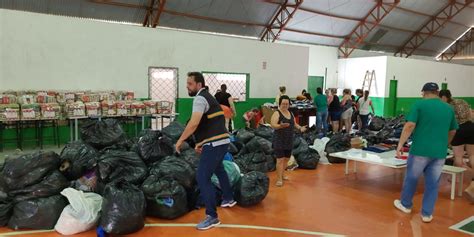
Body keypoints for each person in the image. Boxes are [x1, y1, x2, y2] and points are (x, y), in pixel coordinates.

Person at [175, 72, 236, 230]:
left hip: (215, 144)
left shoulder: (200, 98)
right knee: (219, 168)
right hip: (222, 141)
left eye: (190, 84)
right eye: (187, 83)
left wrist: (180, 140)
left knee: (202, 177)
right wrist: (201, 142)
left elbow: (194, 123)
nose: (187, 87)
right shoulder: (209, 97)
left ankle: (212, 216)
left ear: (199, 85)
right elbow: (209, 123)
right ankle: (228, 198)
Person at [394, 82, 458, 223]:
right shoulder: (448, 108)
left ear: (423, 92)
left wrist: (400, 145)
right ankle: (427, 214)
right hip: (439, 152)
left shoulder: (419, 105)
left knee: (412, 178)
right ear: (437, 92)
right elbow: (453, 130)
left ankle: (406, 205)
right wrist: (444, 144)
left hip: (420, 151)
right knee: (433, 183)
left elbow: (410, 125)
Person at [439, 89, 474, 203]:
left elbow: (448, 123)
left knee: (458, 156)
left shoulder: (447, 107)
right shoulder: (462, 101)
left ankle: (458, 178)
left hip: (459, 130)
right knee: (472, 155)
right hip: (471, 127)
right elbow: (471, 113)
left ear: (444, 97)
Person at [271, 95, 307, 187]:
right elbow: (273, 125)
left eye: (287, 104)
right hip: (279, 140)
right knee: (280, 160)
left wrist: (300, 128)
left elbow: (294, 124)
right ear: (280, 104)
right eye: (283, 103)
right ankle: (279, 179)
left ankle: (282, 174)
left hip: (289, 139)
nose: (285, 105)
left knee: (286, 159)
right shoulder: (277, 113)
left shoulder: (290, 113)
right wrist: (280, 126)